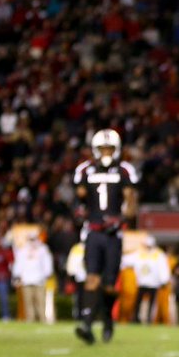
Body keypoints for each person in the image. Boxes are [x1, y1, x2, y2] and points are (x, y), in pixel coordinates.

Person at [72, 128, 139, 344]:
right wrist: (79, 209)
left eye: (110, 148)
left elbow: (130, 200)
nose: (106, 152)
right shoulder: (85, 169)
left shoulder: (124, 170)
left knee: (110, 285)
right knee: (92, 278)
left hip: (113, 234)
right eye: (103, 148)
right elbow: (79, 196)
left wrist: (121, 219)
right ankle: (88, 324)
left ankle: (108, 319)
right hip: (93, 230)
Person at [12, 230, 54, 323]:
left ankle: (43, 319)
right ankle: (30, 320)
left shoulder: (43, 249)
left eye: (33, 239)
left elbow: (47, 262)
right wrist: (17, 275)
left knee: (41, 301)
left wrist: (48, 273)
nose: (32, 241)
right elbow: (19, 264)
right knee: (28, 302)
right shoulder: (23, 250)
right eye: (30, 239)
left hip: (39, 279)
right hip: (26, 279)